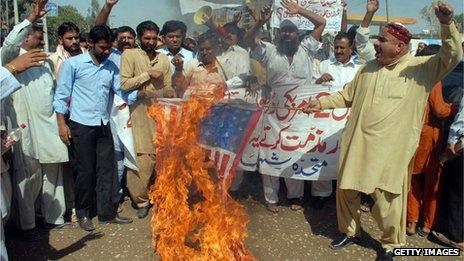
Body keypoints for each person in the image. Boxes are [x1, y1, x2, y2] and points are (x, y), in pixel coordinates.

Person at [303, 1, 462, 259]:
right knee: (347, 189)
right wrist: (319, 103)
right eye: (378, 39)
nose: (377, 43)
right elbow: (346, 96)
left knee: (388, 199)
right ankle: (349, 230)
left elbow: (452, 55)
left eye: (383, 40)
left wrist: (446, 24)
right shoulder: (368, 68)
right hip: (357, 142)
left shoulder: (421, 68)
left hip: (390, 150)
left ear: (399, 47)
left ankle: (390, 244)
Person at [245, 1, 326, 212]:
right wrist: (259, 23)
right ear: (279, 33)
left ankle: (295, 196)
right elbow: (248, 40)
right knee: (271, 152)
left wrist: (300, 10)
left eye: (291, 31)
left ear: (297, 33)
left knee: (295, 151)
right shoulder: (270, 51)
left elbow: (321, 23)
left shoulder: (307, 48)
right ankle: (271, 198)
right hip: (274, 111)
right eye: (284, 31)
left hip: (301, 113)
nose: (288, 34)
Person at [2, 0, 70, 242]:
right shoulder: (10, 59)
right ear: (25, 39)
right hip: (24, 127)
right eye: (36, 36)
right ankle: (28, 225)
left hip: (49, 125)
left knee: (53, 173)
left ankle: (55, 218)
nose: (40, 40)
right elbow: (9, 42)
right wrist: (30, 18)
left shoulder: (46, 62)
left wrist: (60, 122)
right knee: (27, 176)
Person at [53, 25, 133, 231]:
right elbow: (61, 96)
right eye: (102, 47)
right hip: (80, 125)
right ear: (89, 44)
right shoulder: (73, 65)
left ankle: (107, 213)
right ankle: (83, 213)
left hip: (103, 124)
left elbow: (121, 93)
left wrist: (141, 94)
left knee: (107, 170)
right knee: (85, 172)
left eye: (108, 48)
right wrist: (62, 124)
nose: (106, 52)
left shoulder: (111, 68)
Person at [120, 20, 175, 219]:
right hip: (140, 114)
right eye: (146, 38)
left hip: (161, 113)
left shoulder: (163, 59)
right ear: (139, 38)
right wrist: (146, 75)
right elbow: (125, 85)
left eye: (153, 38)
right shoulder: (130, 55)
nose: (151, 42)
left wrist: (164, 92)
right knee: (143, 157)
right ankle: (141, 200)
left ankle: (160, 197)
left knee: (162, 156)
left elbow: (169, 88)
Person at [406, 45, 455, 237]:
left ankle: (411, 221)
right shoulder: (433, 80)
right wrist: (456, 106)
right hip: (429, 136)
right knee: (431, 182)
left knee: (411, 179)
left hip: (411, 134)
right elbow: (440, 110)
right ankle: (427, 224)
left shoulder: (411, 78)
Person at [312, 32, 362, 209]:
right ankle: (320, 194)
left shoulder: (359, 69)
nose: (339, 51)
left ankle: (347, 195)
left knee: (349, 158)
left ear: (351, 48)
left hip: (349, 120)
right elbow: (310, 91)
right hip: (325, 121)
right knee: (323, 154)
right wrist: (319, 80)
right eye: (336, 47)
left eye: (342, 47)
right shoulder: (324, 65)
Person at [432, 84, 463, 251]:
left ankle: (454, 236)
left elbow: (461, 117)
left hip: (461, 146)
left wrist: (452, 139)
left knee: (458, 190)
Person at [172, 30, 227, 97]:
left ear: (216, 48)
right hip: (195, 104)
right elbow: (179, 87)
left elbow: (230, 88)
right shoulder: (192, 64)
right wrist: (178, 69)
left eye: (208, 49)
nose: (204, 52)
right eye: (201, 50)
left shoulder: (224, 66)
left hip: (218, 105)